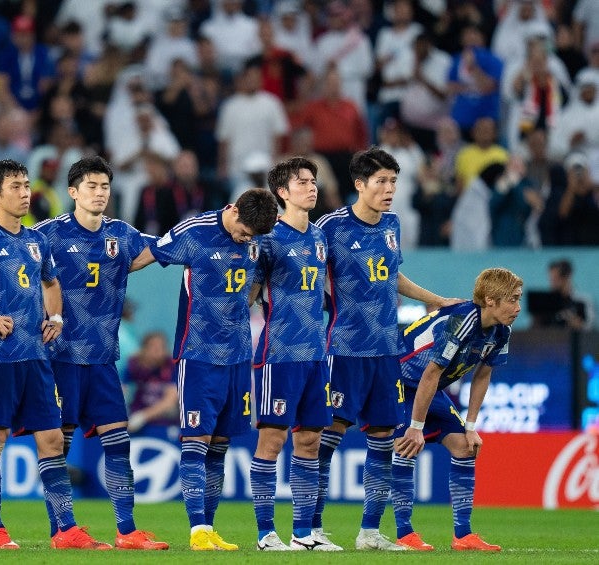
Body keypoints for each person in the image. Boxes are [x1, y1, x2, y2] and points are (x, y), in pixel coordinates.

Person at [0, 159, 110, 550]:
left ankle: (65, 530)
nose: (25, 192)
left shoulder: (37, 240)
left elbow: (51, 283)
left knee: (52, 439)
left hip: (36, 356)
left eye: (27, 185)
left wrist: (57, 317)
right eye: (15, 186)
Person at [313, 147, 456, 551]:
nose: (390, 189)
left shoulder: (392, 224)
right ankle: (312, 529)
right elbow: (309, 273)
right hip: (344, 348)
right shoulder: (331, 226)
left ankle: (370, 533)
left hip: (386, 349)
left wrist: (435, 300)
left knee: (382, 437)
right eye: (381, 181)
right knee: (328, 437)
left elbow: (393, 275)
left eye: (393, 181)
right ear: (360, 185)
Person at [32, 155, 166, 549]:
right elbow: (10, 245)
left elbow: (160, 249)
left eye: (105, 186)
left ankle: (127, 531)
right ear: (73, 192)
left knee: (118, 441)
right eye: (91, 186)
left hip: (103, 358)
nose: (100, 193)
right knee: (58, 444)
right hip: (61, 357)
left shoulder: (121, 234)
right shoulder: (49, 233)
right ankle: (63, 530)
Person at [140, 187, 279, 551]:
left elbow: (257, 283)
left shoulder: (259, 239)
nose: (246, 239)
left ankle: (210, 527)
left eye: (252, 236)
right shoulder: (194, 231)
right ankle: (196, 528)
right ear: (234, 210)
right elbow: (143, 256)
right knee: (196, 439)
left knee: (221, 444)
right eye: (244, 231)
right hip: (198, 354)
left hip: (238, 355)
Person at [391, 267, 523, 551]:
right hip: (398, 380)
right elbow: (431, 373)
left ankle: (463, 536)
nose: (518, 307)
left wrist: (471, 426)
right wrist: (416, 428)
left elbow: (483, 374)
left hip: (428, 386)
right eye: (512, 299)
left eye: (518, 299)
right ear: (490, 300)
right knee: (407, 445)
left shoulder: (502, 331)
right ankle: (404, 534)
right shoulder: (462, 320)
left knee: (465, 446)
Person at [246, 157, 339, 551]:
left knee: (311, 442)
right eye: (302, 182)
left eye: (313, 180)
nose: (312, 187)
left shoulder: (319, 236)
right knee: (272, 441)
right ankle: (266, 533)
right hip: (279, 353)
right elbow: (248, 295)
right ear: (282, 192)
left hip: (316, 354)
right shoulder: (268, 239)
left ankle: (303, 534)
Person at [122, 331, 178, 433]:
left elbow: (170, 400)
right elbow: (121, 391)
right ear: (143, 348)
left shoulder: (171, 365)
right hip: (136, 417)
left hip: (164, 421)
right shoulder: (134, 364)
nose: (157, 350)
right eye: (152, 346)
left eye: (161, 347)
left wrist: (143, 416)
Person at [531, 258, 595, 330]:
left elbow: (591, 326)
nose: (552, 284)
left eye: (555, 279)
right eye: (551, 279)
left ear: (567, 277)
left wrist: (579, 326)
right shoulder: (545, 303)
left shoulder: (582, 301)